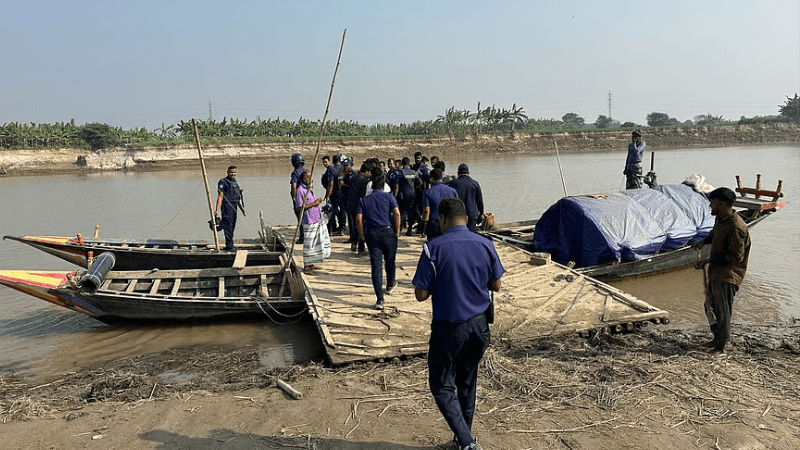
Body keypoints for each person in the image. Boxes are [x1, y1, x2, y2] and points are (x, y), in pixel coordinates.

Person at [412, 197, 505, 450]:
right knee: (467, 380)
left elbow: (421, 294)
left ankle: (467, 442)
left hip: (448, 328)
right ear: (465, 217)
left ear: (442, 219)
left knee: (441, 385)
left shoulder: (433, 248)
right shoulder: (486, 244)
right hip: (479, 327)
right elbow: (496, 285)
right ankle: (463, 437)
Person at [692, 187, 750, 354]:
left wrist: (708, 260)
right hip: (717, 273)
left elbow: (735, 258)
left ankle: (721, 345)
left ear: (722, 204)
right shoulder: (721, 218)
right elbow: (714, 232)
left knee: (722, 310)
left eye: (713, 203)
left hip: (728, 276)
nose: (710, 206)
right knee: (710, 306)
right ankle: (717, 338)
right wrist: (704, 242)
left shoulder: (736, 227)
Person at [356, 170, 401, 310]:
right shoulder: (389, 197)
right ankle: (390, 284)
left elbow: (358, 219)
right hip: (388, 231)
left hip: (372, 233)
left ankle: (380, 300)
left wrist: (362, 235)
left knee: (376, 267)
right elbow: (397, 213)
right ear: (383, 186)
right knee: (390, 260)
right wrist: (397, 232)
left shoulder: (364, 200)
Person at [296, 171, 331, 274]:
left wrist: (316, 202)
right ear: (304, 179)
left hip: (315, 218)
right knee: (309, 243)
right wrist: (314, 204)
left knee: (316, 242)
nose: (311, 180)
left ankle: (312, 262)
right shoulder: (300, 190)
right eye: (309, 178)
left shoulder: (308, 189)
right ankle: (307, 266)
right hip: (309, 220)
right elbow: (299, 207)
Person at [421, 168, 459, 240]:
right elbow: (457, 208)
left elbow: (426, 210)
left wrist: (423, 225)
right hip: (449, 222)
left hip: (434, 223)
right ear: (442, 178)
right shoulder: (452, 191)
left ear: (431, 178)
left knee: (433, 245)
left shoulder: (428, 192)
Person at [213, 165, 243, 252]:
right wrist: (217, 209)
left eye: (234, 172)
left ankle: (230, 244)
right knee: (228, 224)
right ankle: (229, 246)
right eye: (231, 172)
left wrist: (239, 190)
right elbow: (220, 196)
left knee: (232, 225)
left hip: (234, 206)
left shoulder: (234, 181)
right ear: (227, 172)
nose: (233, 174)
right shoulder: (223, 182)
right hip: (227, 206)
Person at [449, 164, 484, 231]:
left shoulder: (452, 183)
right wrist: (481, 213)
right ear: (468, 172)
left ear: (458, 172)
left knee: (458, 234)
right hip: (471, 215)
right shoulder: (475, 183)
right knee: (470, 234)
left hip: (457, 214)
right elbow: (479, 200)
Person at [346, 163, 372, 252]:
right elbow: (364, 194)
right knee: (361, 224)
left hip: (350, 203)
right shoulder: (364, 181)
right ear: (366, 172)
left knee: (354, 223)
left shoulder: (352, 177)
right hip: (359, 204)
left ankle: (353, 243)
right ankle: (361, 246)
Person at [394, 157, 417, 234]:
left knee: (401, 211)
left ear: (402, 164)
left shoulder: (400, 172)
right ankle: (409, 229)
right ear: (409, 163)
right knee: (411, 211)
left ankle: (399, 229)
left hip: (403, 194)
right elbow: (419, 182)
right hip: (413, 193)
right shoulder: (413, 172)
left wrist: (394, 196)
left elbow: (396, 185)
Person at [290, 153, 307, 244]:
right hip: (307, 197)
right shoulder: (306, 171)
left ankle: (302, 238)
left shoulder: (295, 173)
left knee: (300, 217)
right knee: (306, 216)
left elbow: (294, 185)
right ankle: (306, 236)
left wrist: (294, 197)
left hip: (298, 197)